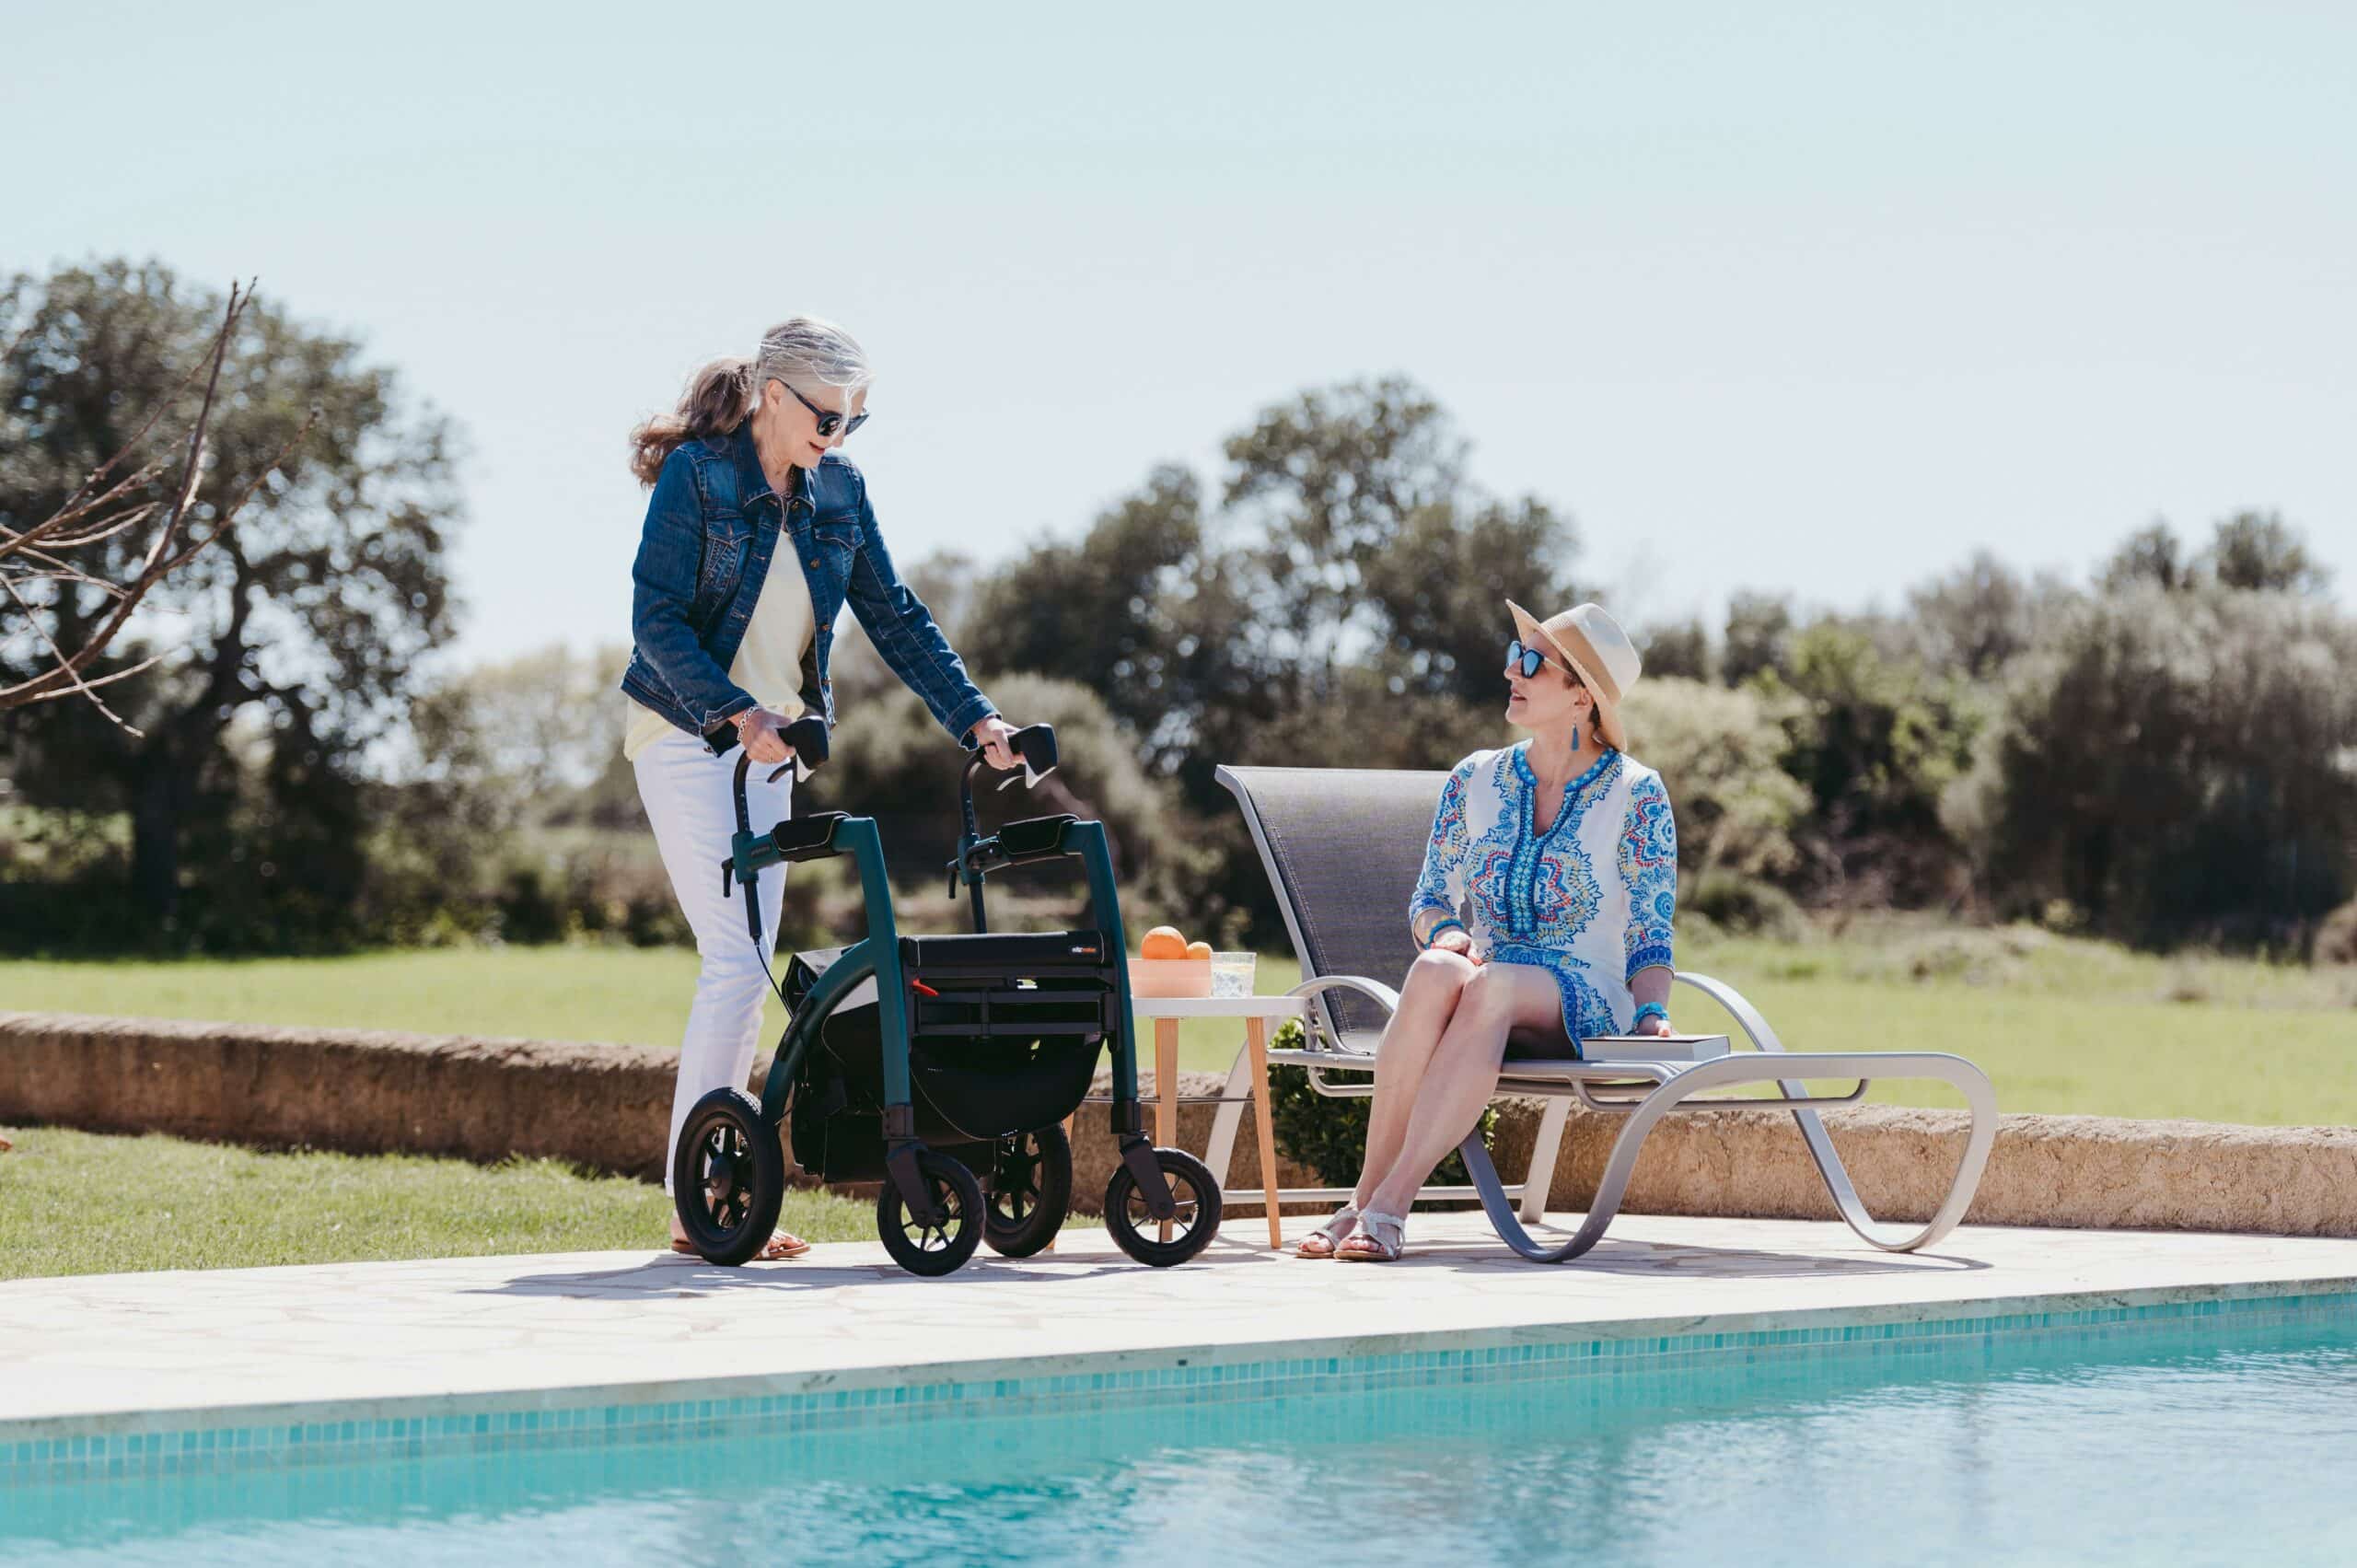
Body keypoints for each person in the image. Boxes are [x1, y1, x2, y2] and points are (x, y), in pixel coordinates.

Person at [620, 319, 1021, 1259]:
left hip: (774, 749)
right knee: (733, 960)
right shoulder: (700, 477)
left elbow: (895, 611)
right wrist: (733, 714)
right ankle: (699, 1204)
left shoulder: (838, 489)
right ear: (773, 395)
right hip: (687, 734)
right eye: (826, 415)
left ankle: (714, 1191)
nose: (837, 436)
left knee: (748, 970)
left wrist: (978, 719)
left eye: (856, 419)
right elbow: (656, 620)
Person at [1298, 600, 1678, 1263]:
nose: (1513, 669)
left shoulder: (1636, 792)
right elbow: (1428, 898)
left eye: (1534, 662)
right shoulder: (1474, 778)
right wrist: (1445, 933)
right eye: (1514, 652)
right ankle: (1364, 1200)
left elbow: (1650, 925)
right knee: (1437, 971)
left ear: (1582, 697)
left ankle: (1392, 1202)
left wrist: (1651, 1012)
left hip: (1585, 997)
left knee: (1492, 984)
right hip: (1486, 983)